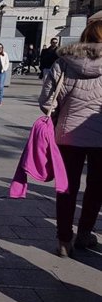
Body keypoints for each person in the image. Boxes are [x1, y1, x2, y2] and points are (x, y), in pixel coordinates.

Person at [39, 20, 102, 257]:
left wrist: (59, 113)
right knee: (96, 187)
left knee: (67, 187)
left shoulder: (64, 63)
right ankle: (85, 233)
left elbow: (46, 101)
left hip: (68, 134)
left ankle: (64, 240)